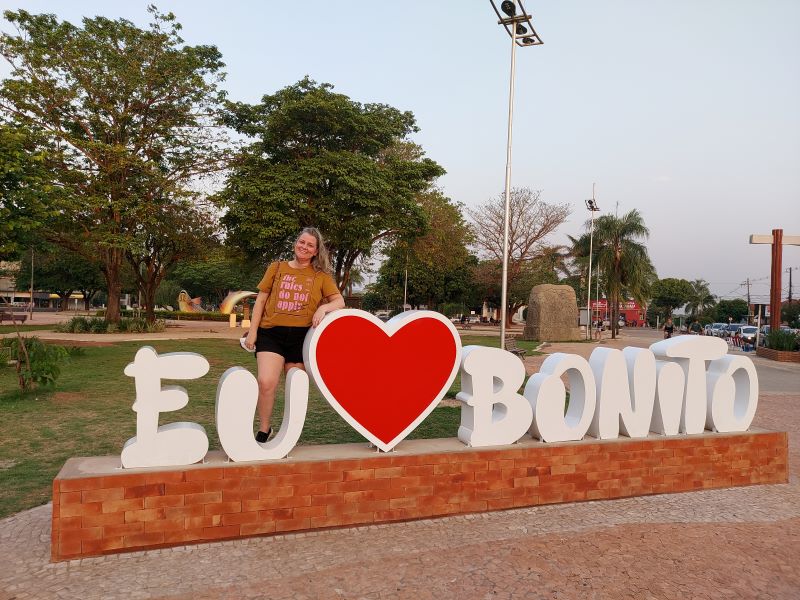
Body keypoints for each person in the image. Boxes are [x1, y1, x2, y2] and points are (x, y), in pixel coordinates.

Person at [244, 227, 345, 443]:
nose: (304, 247)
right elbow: (260, 300)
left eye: (310, 245)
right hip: (271, 333)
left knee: (295, 386)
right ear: (295, 244)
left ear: (316, 251)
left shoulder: (321, 276)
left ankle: (289, 433)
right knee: (266, 381)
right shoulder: (276, 267)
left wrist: (322, 308)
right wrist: (253, 332)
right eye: (302, 242)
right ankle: (264, 429)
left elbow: (339, 301)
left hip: (301, 339)